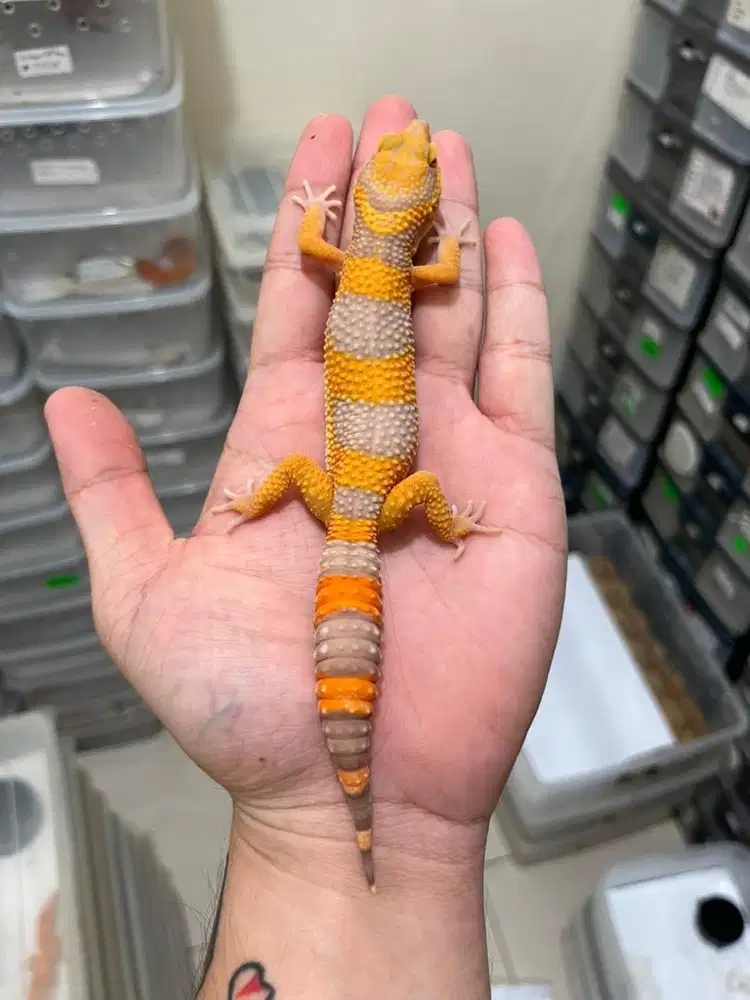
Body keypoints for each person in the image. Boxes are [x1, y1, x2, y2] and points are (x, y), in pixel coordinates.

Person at [44, 95, 567, 1000]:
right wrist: (447, 526)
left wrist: (326, 223)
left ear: (367, 212)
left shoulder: (355, 250)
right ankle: (359, 809)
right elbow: (444, 270)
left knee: (290, 473)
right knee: (393, 495)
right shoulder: (412, 265)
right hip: (380, 499)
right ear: (406, 215)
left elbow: (321, 252)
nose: (416, 162)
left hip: (349, 501)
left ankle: (358, 812)